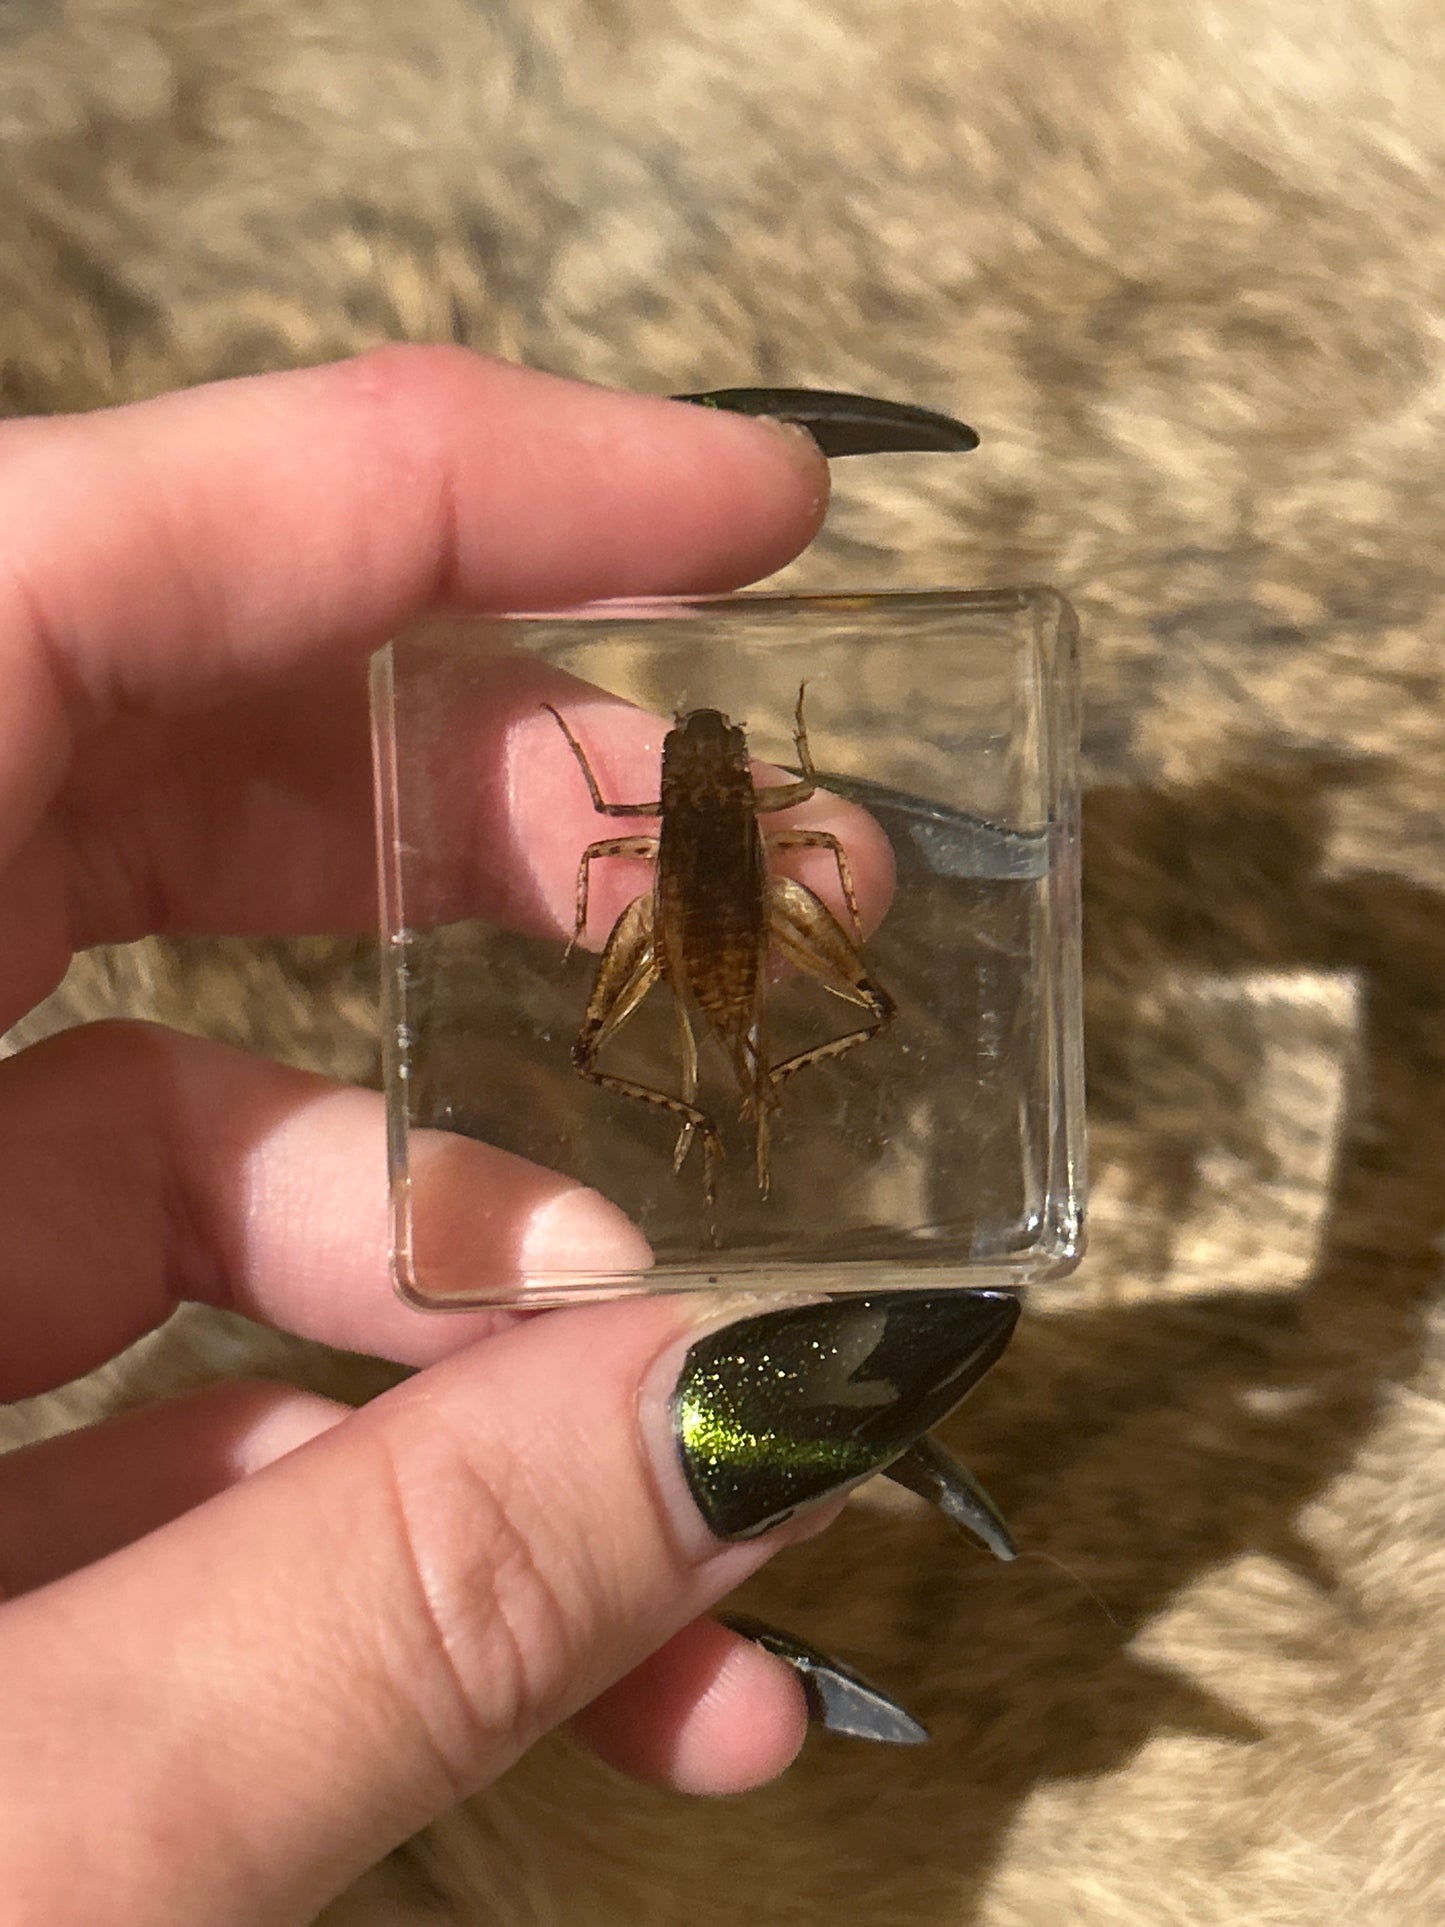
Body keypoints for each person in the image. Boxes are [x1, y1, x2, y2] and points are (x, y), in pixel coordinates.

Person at [0, 347, 1015, 1921]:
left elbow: (758, 790)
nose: (693, 770)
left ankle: (691, 1105)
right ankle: (684, 1103)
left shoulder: (736, 805)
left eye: (704, 762)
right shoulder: (702, 811)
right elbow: (693, 803)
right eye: (689, 766)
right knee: (665, 1017)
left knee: (800, 1001)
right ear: (689, 786)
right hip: (690, 945)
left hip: (717, 936)